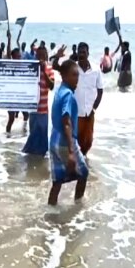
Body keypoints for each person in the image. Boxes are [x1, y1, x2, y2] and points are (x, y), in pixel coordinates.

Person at [48, 60, 88, 206]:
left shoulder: (60, 89)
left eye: (77, 75)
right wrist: (71, 151)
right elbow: (67, 122)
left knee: (57, 180)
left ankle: (51, 209)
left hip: (54, 139)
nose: (76, 78)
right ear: (64, 76)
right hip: (65, 140)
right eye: (73, 75)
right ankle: (78, 206)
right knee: (83, 173)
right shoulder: (69, 95)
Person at [22, 46, 56, 156]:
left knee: (42, 135)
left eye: (43, 55)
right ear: (36, 56)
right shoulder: (31, 69)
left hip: (43, 110)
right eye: (39, 55)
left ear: (46, 56)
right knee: (33, 135)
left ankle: (40, 156)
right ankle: (31, 157)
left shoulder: (49, 69)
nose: (41, 57)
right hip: (32, 109)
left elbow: (51, 86)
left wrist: (44, 71)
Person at [74, 43, 103, 156]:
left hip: (90, 112)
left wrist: (94, 109)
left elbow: (100, 91)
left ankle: (83, 158)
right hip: (77, 112)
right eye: (79, 52)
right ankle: (79, 162)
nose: (81, 54)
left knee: (88, 141)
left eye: (83, 52)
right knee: (77, 140)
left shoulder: (96, 70)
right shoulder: (73, 69)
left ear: (88, 53)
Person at [5, 30, 29, 133]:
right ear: (13, 57)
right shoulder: (11, 65)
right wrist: (9, 39)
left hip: (20, 96)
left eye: (20, 56)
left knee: (26, 114)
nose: (20, 58)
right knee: (11, 118)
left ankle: (24, 129)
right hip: (11, 96)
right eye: (18, 56)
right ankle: (7, 134)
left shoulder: (22, 67)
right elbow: (8, 52)